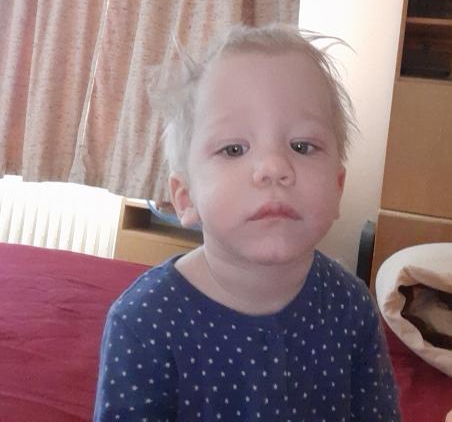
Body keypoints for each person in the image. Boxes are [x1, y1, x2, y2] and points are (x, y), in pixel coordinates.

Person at [94, 23, 401, 421]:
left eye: (302, 146)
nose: (274, 167)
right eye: (234, 149)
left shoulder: (352, 308)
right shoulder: (143, 322)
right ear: (185, 198)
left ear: (337, 187)